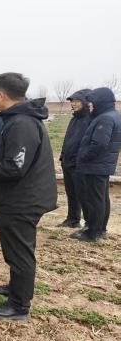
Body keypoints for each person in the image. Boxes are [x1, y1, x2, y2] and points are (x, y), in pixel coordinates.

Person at [0, 72, 57, 320]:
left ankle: (19, 305)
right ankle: (16, 288)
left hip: (22, 200)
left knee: (20, 253)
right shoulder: (20, 119)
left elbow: (14, 167)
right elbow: (12, 159)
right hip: (19, 197)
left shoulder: (22, 124)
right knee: (16, 250)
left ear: (1, 94)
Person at [73, 87, 121, 241]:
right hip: (102, 165)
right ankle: (100, 229)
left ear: (100, 102)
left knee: (95, 200)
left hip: (95, 166)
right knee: (102, 198)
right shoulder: (113, 115)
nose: (90, 106)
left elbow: (99, 144)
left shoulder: (105, 118)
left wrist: (83, 157)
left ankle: (93, 232)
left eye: (92, 103)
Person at [58, 89, 92, 228]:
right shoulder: (74, 119)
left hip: (79, 164)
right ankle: (72, 220)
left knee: (84, 195)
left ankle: (89, 224)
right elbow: (68, 139)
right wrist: (63, 156)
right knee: (71, 193)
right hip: (67, 161)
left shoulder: (90, 119)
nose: (73, 104)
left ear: (85, 102)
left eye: (77, 101)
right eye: (72, 101)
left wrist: (80, 159)